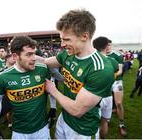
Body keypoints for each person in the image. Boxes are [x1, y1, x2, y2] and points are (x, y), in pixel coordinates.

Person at [36, 9, 115, 139]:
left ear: (84, 36)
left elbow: (77, 110)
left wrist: (53, 91)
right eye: (61, 39)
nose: (62, 44)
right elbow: (46, 61)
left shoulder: (100, 69)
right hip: (64, 117)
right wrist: (27, 58)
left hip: (82, 128)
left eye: (66, 39)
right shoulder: (68, 54)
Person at [0, 36, 53, 139]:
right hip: (19, 131)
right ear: (15, 56)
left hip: (43, 128)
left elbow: (52, 89)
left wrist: (53, 108)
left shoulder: (42, 69)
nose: (34, 58)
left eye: (34, 53)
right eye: (29, 54)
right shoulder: (3, 77)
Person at [93, 36, 119, 139]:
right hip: (108, 96)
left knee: (93, 122)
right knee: (104, 122)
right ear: (106, 46)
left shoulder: (91, 60)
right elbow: (116, 72)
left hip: (94, 96)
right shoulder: (112, 61)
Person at [106, 39, 127, 136]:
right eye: (105, 45)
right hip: (105, 82)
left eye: (109, 45)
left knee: (118, 103)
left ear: (111, 45)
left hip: (116, 81)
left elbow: (120, 71)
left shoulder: (117, 55)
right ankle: (107, 119)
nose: (107, 47)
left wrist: (110, 76)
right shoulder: (101, 54)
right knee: (107, 101)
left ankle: (122, 124)